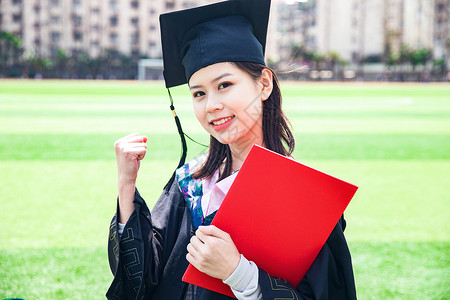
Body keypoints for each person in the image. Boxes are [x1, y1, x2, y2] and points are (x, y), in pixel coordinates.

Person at [106, 0, 357, 299]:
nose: (211, 105)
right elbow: (143, 277)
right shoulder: (189, 184)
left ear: (263, 84)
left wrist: (239, 273)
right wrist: (126, 186)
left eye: (224, 85)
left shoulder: (305, 198)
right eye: (199, 93)